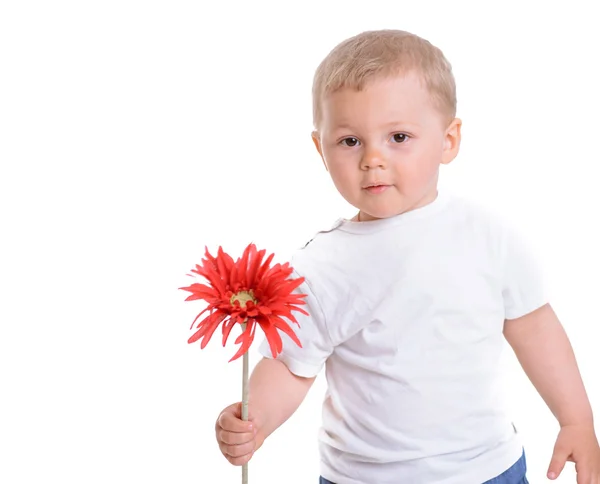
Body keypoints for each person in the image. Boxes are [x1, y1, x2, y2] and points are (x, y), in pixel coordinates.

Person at [213, 29, 600, 483]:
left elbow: (533, 326)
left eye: (398, 136)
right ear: (321, 148)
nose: (372, 159)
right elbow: (289, 366)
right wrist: (254, 419)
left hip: (486, 468)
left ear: (448, 140)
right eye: (350, 141)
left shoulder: (486, 236)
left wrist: (576, 419)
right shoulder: (318, 268)